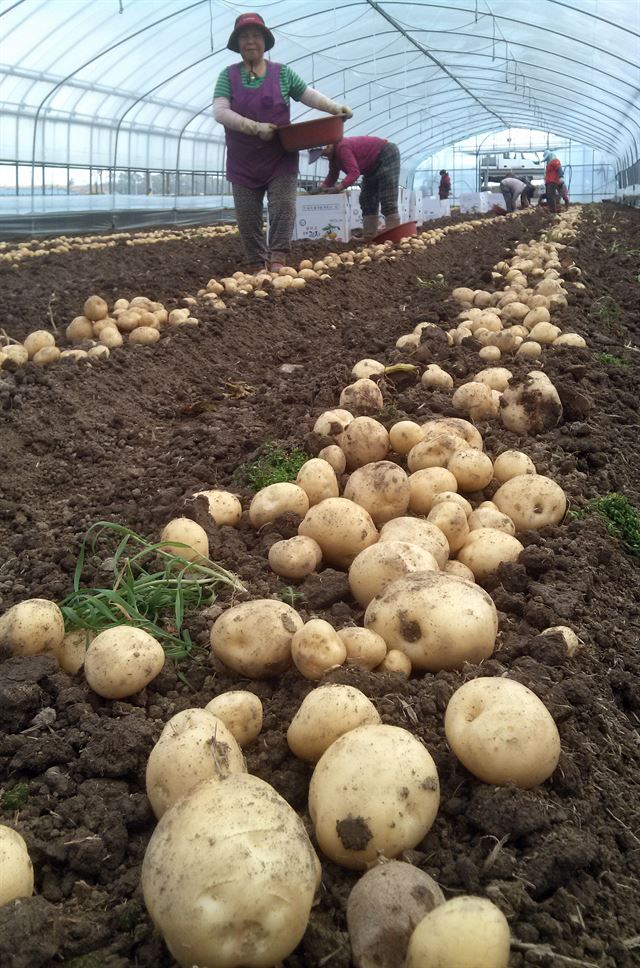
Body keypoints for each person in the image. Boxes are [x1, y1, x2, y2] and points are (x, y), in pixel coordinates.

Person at [213, 12, 352, 272]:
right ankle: (256, 265)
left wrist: (334, 108)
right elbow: (220, 112)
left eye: (256, 36)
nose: (250, 42)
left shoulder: (282, 73)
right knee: (247, 216)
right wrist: (253, 127)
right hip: (243, 161)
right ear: (237, 43)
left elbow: (307, 94)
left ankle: (277, 260)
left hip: (280, 156)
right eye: (245, 37)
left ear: (265, 41)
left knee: (284, 208)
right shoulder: (227, 76)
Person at [310, 137, 401, 239]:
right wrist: (321, 188)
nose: (325, 156)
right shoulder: (333, 157)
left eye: (324, 153)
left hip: (385, 155)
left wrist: (338, 188)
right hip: (370, 168)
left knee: (387, 198)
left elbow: (354, 173)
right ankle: (369, 237)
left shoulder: (342, 147)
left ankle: (394, 238)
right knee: (366, 199)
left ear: (328, 146)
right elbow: (332, 175)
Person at [542, 149, 564, 213]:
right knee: (549, 196)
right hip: (549, 182)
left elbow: (559, 169)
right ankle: (551, 209)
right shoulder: (549, 164)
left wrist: (561, 177)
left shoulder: (555, 161)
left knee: (551, 196)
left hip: (553, 181)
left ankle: (553, 211)